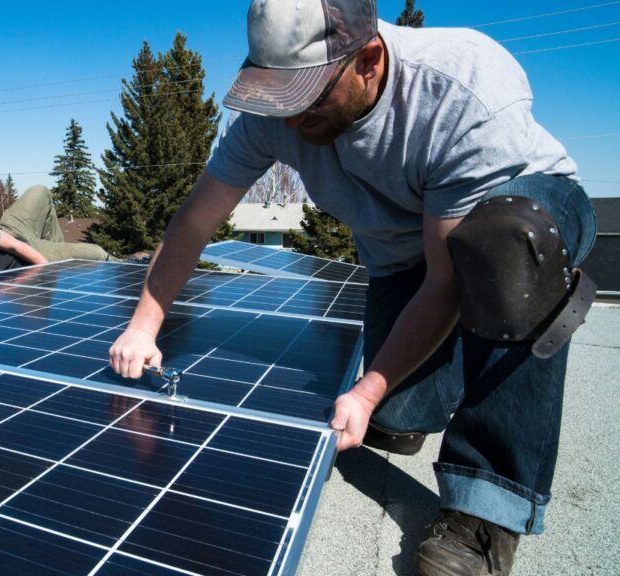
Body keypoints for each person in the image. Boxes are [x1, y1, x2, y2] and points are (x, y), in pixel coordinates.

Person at [107, 1, 597, 575]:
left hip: (516, 222)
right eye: (280, 99)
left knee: (506, 253)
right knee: (401, 405)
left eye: (308, 100)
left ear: (367, 60)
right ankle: (432, 385)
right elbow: (195, 221)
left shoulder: (460, 86)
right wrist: (144, 323)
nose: (291, 121)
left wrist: (364, 392)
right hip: (402, 257)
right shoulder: (273, 117)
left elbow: (446, 278)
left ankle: (488, 509)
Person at [0, 184, 112, 278]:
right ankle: (129, 263)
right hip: (22, 268)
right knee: (95, 253)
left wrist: (50, 271)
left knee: (40, 191)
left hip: (15, 238)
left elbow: (16, 246)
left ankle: (56, 248)